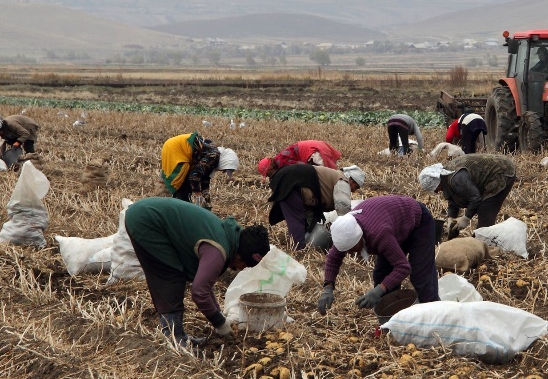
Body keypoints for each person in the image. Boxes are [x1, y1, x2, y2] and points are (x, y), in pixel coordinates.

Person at [124, 197, 270, 348]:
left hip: (147, 215)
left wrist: (218, 315)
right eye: (244, 264)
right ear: (240, 254)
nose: (241, 268)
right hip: (146, 221)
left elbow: (205, 286)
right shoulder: (217, 251)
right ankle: (175, 338)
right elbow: (199, 293)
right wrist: (220, 324)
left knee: (173, 273)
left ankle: (179, 336)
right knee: (170, 275)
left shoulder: (227, 236)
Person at [317, 195, 440, 315]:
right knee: (382, 275)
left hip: (417, 222)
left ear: (360, 238)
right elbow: (333, 258)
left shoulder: (378, 234)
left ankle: (436, 318)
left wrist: (378, 291)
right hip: (393, 224)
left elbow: (403, 267)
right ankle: (392, 320)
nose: (350, 253)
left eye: (352, 248)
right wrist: (328, 288)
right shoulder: (345, 230)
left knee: (421, 277)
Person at [268, 163, 366, 249]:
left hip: (288, 180)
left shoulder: (333, 176)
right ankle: (298, 250)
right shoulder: (342, 180)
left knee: (306, 219)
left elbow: (313, 211)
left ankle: (300, 243)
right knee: (297, 219)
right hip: (291, 183)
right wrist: (348, 226)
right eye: (356, 187)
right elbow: (343, 206)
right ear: (351, 180)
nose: (354, 191)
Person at [419, 154, 516, 237]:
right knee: (483, 207)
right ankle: (481, 237)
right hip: (495, 170)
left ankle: (485, 241)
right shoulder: (446, 175)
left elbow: (475, 198)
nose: (437, 192)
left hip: (502, 171)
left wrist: (466, 218)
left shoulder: (457, 179)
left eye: (435, 189)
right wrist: (451, 218)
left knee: (485, 209)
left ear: (437, 182)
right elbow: (453, 198)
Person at [160, 132, 220, 208]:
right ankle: (175, 206)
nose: (224, 172)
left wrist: (206, 198)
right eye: (226, 170)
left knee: (183, 180)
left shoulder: (211, 156)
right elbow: (194, 174)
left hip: (171, 145)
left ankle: (175, 205)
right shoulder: (213, 156)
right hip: (175, 149)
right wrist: (198, 195)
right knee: (180, 180)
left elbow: (204, 177)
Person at [257, 140, 342, 177]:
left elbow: (301, 167)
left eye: (268, 174)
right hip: (316, 145)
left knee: (328, 175)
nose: (270, 176)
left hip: (314, 150)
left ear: (271, 168)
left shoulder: (282, 162)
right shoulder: (279, 159)